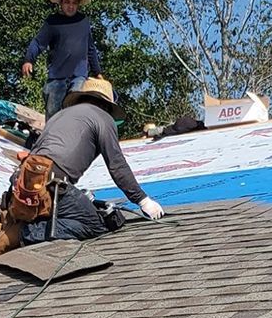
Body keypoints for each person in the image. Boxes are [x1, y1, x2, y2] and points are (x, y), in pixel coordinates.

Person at [13, 77, 164, 243]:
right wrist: (143, 201)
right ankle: (26, 233)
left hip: (22, 181)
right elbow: (117, 166)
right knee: (95, 224)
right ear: (107, 106)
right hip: (52, 185)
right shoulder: (104, 118)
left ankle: (25, 225)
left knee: (74, 207)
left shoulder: (60, 115)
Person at [20, 0, 103, 117]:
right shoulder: (52, 22)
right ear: (61, 3)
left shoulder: (84, 22)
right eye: (67, 2)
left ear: (78, 4)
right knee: (54, 114)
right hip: (57, 77)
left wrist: (97, 72)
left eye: (74, 3)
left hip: (79, 76)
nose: (70, 6)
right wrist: (28, 60)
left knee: (75, 107)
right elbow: (38, 43)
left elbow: (90, 49)